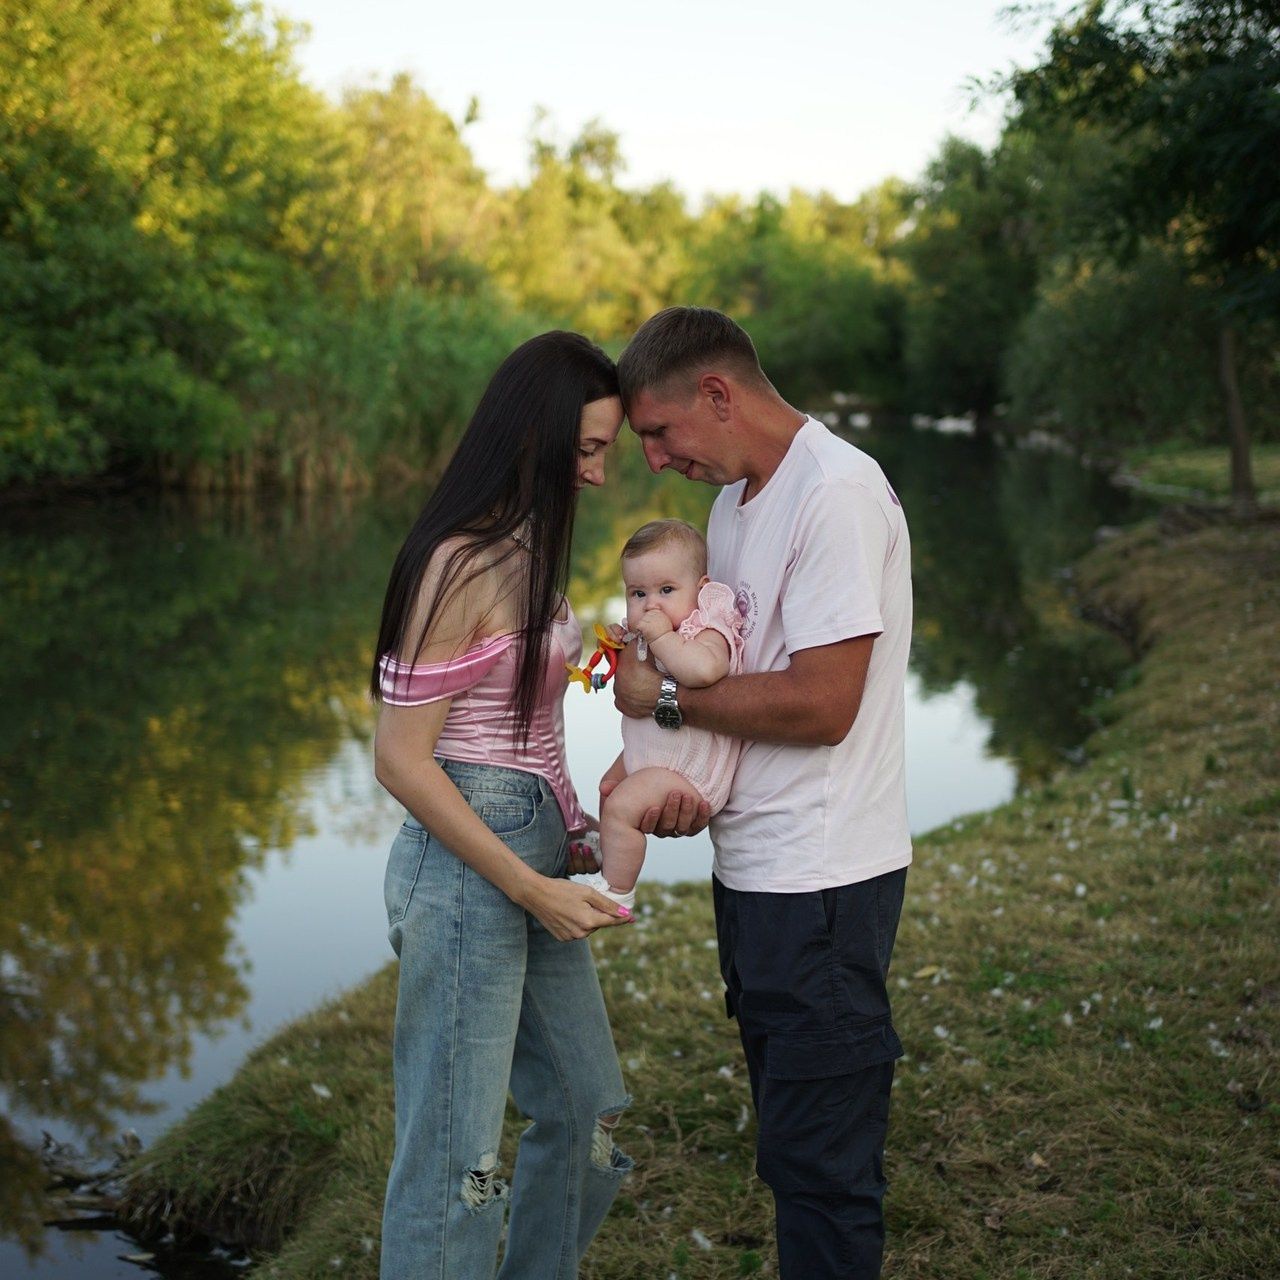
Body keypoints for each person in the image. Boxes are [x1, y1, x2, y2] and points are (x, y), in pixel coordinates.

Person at [611, 307, 913, 1279]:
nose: (653, 460)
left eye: (659, 432)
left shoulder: (836, 492)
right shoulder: (734, 507)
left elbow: (823, 704)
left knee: (823, 1169)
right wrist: (684, 783)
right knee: (789, 1147)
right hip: (753, 870)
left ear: (716, 393)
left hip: (822, 879)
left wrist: (657, 703)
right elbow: (728, 682)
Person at [369, 331, 638, 1280]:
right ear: (537, 434)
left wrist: (576, 815)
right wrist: (528, 884)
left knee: (589, 1113)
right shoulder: (462, 561)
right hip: (470, 870)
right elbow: (401, 759)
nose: (599, 475)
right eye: (590, 449)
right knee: (460, 1164)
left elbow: (523, 727)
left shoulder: (524, 551)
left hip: (529, 850)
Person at [582, 518, 744, 910]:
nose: (650, 604)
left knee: (622, 806)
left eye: (666, 590)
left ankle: (618, 892)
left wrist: (661, 638)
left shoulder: (706, 630)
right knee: (608, 789)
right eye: (638, 593)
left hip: (689, 768)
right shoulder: (652, 630)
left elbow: (704, 671)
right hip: (655, 755)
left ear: (701, 590)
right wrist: (624, 648)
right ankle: (609, 851)